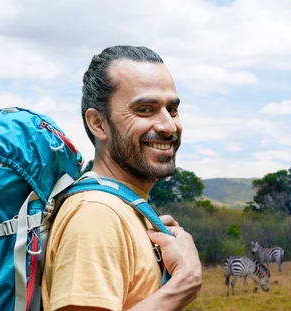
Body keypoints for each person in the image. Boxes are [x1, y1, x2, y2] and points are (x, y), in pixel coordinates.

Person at [41, 45, 203, 311]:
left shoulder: (124, 207)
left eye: (172, 109)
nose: (168, 125)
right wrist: (184, 284)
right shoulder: (96, 214)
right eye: (145, 110)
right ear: (98, 124)